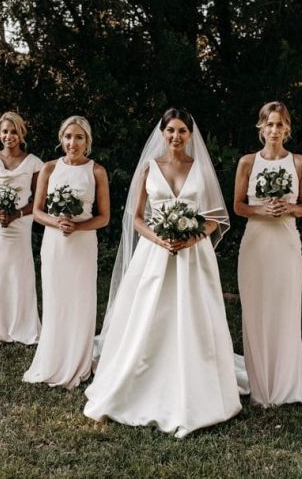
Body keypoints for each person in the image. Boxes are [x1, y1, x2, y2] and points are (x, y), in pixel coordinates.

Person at [84, 108, 242, 438]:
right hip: (155, 254)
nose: (176, 136)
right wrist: (161, 239)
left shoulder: (200, 169)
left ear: (190, 134)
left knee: (192, 317)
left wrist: (191, 239)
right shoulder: (148, 169)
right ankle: (140, 381)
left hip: (193, 256)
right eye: (170, 130)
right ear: (162, 133)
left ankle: (196, 388)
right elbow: (137, 217)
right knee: (148, 317)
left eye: (182, 131)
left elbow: (214, 217)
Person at [233, 101, 302, 406]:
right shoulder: (247, 163)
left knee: (286, 307)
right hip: (255, 243)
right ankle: (260, 384)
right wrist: (261, 209)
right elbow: (239, 206)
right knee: (256, 309)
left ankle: (286, 382)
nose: (275, 130)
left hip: (286, 243)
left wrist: (288, 207)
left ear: (287, 128)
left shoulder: (301, 163)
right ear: (261, 128)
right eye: (270, 124)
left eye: (280, 125)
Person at [23, 116, 110, 388]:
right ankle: (53, 355)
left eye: (79, 137)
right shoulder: (49, 168)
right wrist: (58, 222)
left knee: (81, 299)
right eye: (68, 137)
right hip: (55, 243)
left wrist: (78, 226)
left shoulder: (97, 171)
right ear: (61, 138)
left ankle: (80, 360)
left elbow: (104, 217)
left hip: (83, 245)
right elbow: (37, 211)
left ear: (88, 141)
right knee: (56, 298)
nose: (73, 143)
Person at [0, 112, 43, 346]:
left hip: (20, 225)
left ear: (21, 134)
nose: (9, 136)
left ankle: (20, 325)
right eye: (5, 131)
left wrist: (17, 214)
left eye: (13, 131)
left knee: (17, 272)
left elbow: (39, 201)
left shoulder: (33, 163)